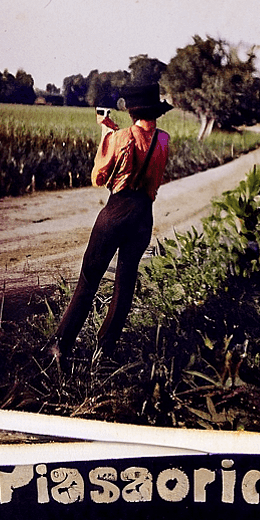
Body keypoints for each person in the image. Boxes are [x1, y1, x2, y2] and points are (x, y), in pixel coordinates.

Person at [45, 83, 172, 367]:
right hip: (144, 216)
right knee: (125, 283)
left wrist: (106, 135)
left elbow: (99, 177)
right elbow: (151, 171)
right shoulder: (163, 139)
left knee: (89, 279)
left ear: (132, 112)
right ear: (156, 112)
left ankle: (60, 346)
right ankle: (105, 350)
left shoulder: (121, 137)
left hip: (116, 212)